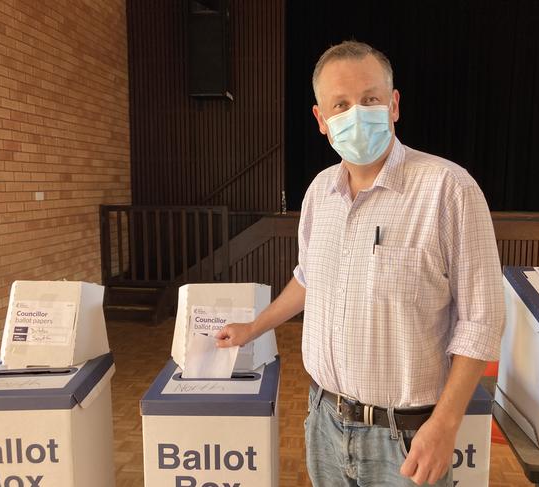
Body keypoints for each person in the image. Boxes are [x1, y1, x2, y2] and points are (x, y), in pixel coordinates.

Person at [216, 40, 505, 487]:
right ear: (321, 120)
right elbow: (309, 280)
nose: (356, 113)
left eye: (369, 100)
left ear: (393, 105)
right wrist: (255, 327)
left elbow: (481, 321)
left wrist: (445, 426)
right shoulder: (318, 193)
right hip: (324, 421)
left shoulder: (448, 190)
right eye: (341, 104)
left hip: (407, 436)